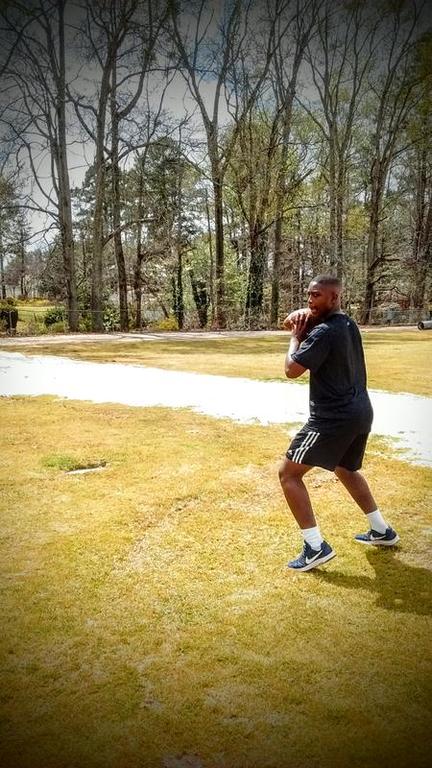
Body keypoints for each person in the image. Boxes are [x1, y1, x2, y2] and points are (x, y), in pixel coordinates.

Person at [279, 274, 399, 572]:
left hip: (333, 418)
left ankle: (315, 547)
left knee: (289, 474)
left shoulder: (324, 332)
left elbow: (291, 370)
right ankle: (381, 530)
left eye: (317, 295)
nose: (311, 300)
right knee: (346, 469)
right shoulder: (347, 324)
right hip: (360, 412)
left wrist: (295, 337)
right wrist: (303, 320)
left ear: (335, 297)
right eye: (309, 295)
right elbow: (293, 324)